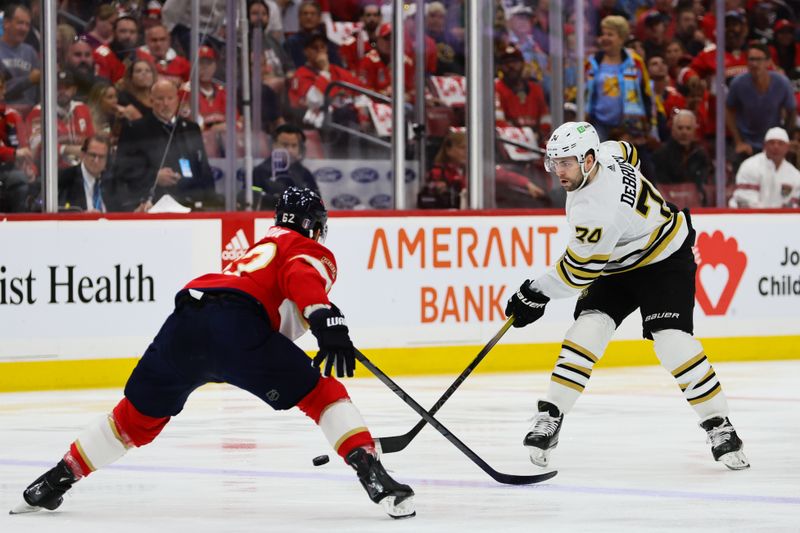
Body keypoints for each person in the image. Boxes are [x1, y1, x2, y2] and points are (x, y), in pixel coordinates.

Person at [10, 187, 416, 520]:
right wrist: (326, 318)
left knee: (133, 419)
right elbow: (301, 278)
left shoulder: (260, 248)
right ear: (315, 225)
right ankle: (372, 474)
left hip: (188, 317)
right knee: (322, 394)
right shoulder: (308, 249)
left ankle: (53, 481)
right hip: (236, 326)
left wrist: (321, 323)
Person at [505, 121, 750, 472]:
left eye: (567, 162)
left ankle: (719, 425)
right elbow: (629, 151)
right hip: (617, 264)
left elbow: (577, 273)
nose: (559, 170)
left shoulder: (596, 209)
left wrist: (533, 293)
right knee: (587, 330)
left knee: (672, 342)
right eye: (554, 162)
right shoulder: (607, 153)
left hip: (664, 258)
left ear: (589, 159)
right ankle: (551, 414)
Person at [110, 79, 215, 211]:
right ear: (151, 100)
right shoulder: (134, 129)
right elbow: (123, 169)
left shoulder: (191, 128)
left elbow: (203, 167)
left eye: (170, 98)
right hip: (150, 205)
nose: (166, 104)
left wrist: (210, 201)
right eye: (160, 99)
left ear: (177, 100)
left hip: (190, 203)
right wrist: (153, 177)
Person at [726, 42, 796, 160]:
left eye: (759, 59)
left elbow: (792, 110)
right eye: (751, 59)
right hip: (747, 142)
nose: (754, 64)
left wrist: (786, 138)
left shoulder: (782, 83)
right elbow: (728, 110)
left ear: (768, 62)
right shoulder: (738, 83)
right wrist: (738, 141)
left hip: (774, 141)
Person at [729, 127, 800, 208]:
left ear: (787, 147)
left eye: (780, 143)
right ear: (764, 145)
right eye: (772, 143)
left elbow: (793, 206)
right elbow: (745, 201)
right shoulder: (750, 166)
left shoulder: (795, 175)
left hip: (779, 219)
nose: (776, 146)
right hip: (749, 217)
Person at [252, 124, 318, 209]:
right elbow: (253, 202)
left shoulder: (305, 174)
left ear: (300, 148)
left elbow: (317, 204)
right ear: (274, 145)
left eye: (294, 145)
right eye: (285, 145)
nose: (289, 150)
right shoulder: (259, 172)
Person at [0, 4, 41, 113]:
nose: (24, 28)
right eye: (20, 23)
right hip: (4, 114)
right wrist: (29, 80)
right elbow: (2, 91)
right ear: (6, 23)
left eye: (27, 24)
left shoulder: (31, 52)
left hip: (30, 115)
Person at [57, 135, 111, 212]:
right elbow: (39, 208)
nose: (96, 161)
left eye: (101, 157)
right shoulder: (64, 179)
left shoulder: (113, 181)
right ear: (83, 154)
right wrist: (80, 218)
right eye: (93, 155)